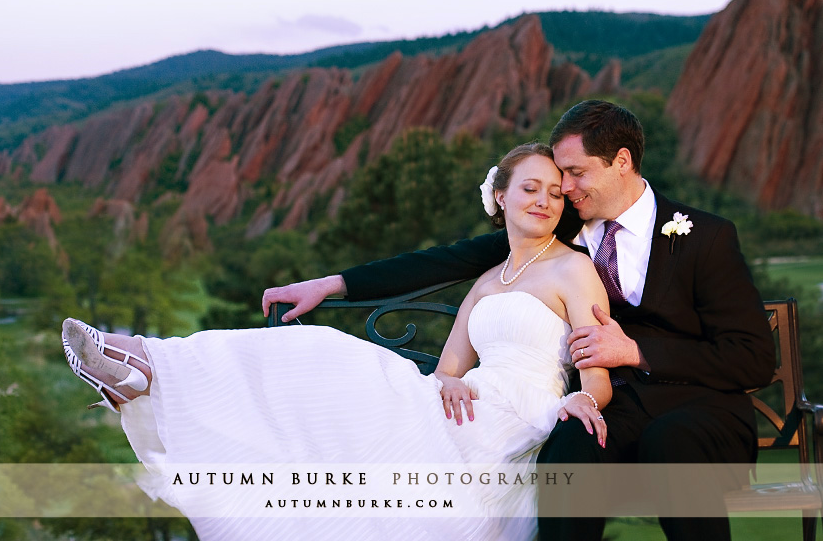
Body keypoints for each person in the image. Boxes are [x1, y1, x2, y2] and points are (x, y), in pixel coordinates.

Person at [263, 100, 776, 541]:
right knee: (569, 440)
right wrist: (332, 285)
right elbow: (447, 260)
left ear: (621, 162)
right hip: (612, 405)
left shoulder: (704, 237)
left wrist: (636, 352)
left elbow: (752, 358)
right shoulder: (560, 225)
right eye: (557, 177)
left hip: (700, 409)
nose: (564, 189)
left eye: (575, 174)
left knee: (672, 444)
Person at [62, 143, 613, 541]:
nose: (544, 201)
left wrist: (581, 400)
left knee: (331, 373)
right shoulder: (490, 279)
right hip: (460, 407)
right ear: (501, 196)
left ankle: (146, 370)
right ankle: (147, 365)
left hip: (521, 422)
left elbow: (596, 380)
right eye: (530, 188)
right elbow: (449, 367)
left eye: (554, 193)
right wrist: (446, 382)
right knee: (321, 359)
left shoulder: (574, 271)